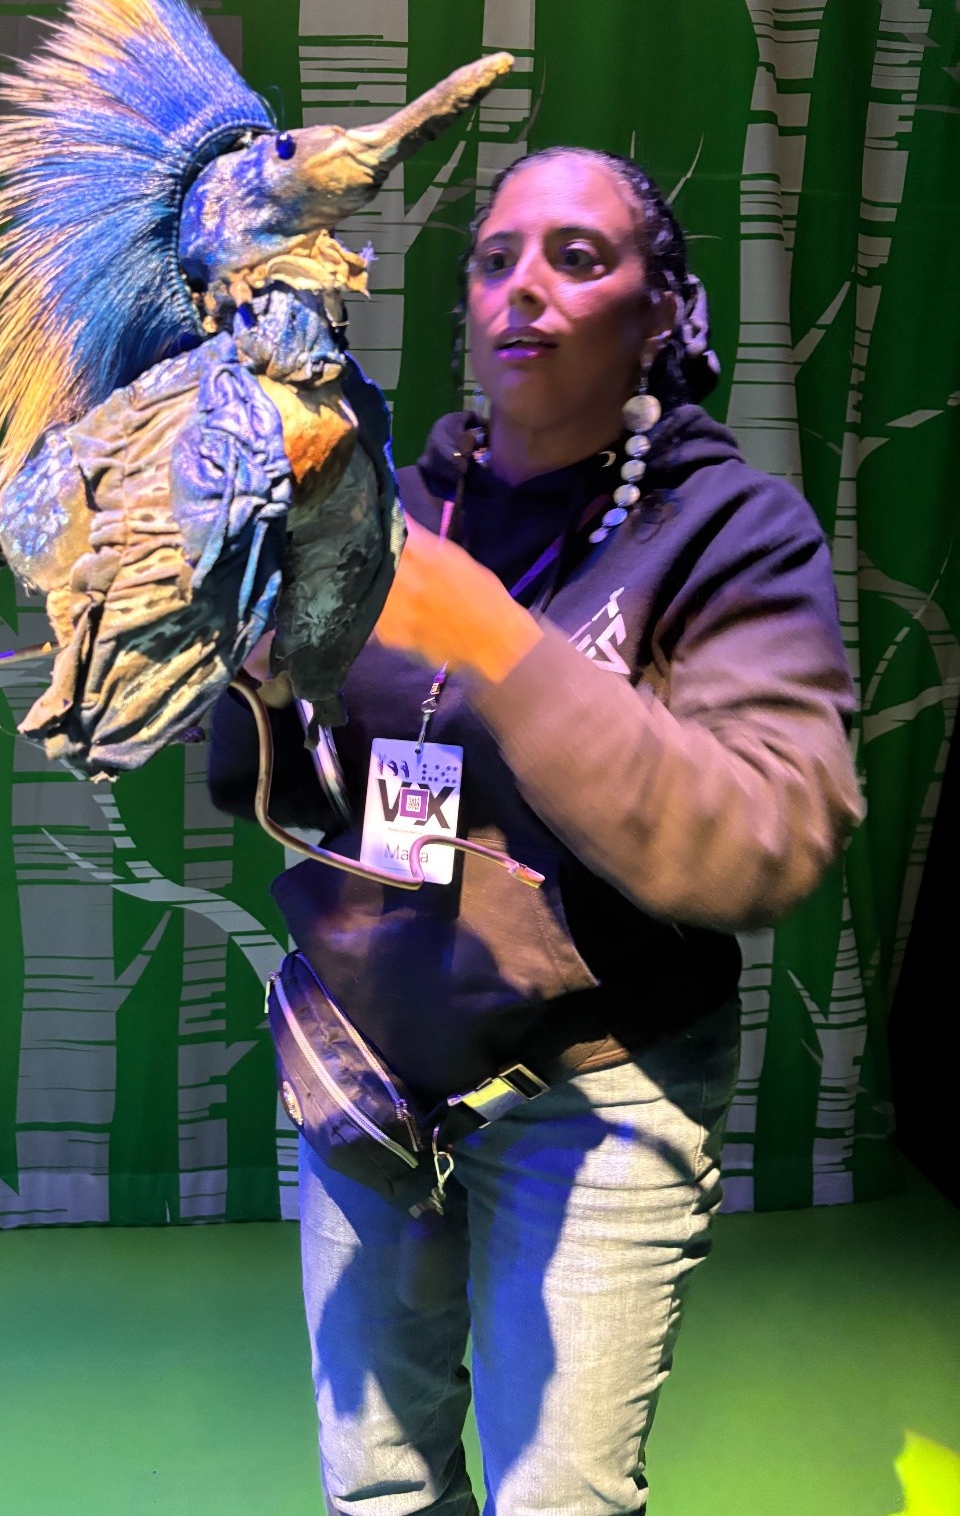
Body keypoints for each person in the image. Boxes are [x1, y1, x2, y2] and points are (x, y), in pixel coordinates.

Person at [206, 147, 862, 1516]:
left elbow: (766, 843)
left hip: (595, 1091)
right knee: (377, 1487)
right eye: (497, 258)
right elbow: (290, 792)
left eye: (578, 257)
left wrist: (499, 643)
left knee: (557, 1502)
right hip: (369, 1073)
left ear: (662, 312)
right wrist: (262, 688)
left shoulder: (730, 531)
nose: (526, 289)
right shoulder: (377, 510)